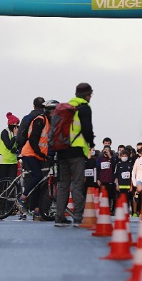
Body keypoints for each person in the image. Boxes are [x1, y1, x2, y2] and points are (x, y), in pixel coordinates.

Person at [55, 83, 95, 227]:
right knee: (77, 184)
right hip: (76, 151)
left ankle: (59, 216)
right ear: (87, 95)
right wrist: (91, 143)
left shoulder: (65, 107)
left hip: (61, 150)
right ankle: (78, 216)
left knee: (63, 185)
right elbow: (87, 129)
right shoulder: (84, 108)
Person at [20, 99, 53, 220]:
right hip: (30, 153)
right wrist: (40, 153)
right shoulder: (40, 120)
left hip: (38, 155)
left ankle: (36, 209)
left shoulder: (48, 122)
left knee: (39, 183)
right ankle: (22, 198)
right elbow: (33, 139)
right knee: (37, 176)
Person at [0, 113, 20, 182]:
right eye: (15, 124)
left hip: (13, 161)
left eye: (17, 124)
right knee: (3, 182)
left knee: (12, 182)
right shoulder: (5, 132)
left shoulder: (16, 132)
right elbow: (9, 145)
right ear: (10, 124)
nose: (16, 126)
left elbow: (18, 145)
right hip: (3, 161)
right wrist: (15, 136)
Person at [96, 146, 116, 211]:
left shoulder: (112, 158)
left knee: (109, 196)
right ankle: (101, 209)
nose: (106, 151)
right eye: (105, 149)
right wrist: (97, 179)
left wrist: (110, 157)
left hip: (109, 180)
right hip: (102, 180)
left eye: (108, 150)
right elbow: (97, 169)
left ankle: (109, 209)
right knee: (102, 195)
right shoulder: (100, 159)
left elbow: (114, 166)